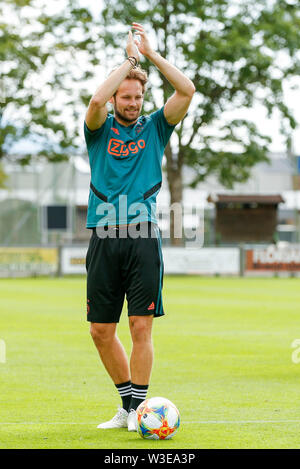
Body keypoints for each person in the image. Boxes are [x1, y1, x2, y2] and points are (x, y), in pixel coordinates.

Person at [84, 22, 195, 432]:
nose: (133, 103)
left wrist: (149, 56)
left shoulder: (154, 128)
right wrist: (127, 61)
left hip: (142, 235)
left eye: (138, 96)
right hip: (104, 236)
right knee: (100, 330)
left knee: (139, 325)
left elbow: (186, 91)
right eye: (126, 97)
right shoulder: (97, 130)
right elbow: (96, 99)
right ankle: (126, 405)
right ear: (117, 97)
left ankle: (139, 409)